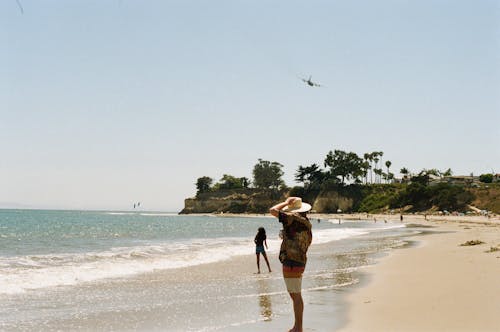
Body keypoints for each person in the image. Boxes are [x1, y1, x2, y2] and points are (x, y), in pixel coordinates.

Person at [270, 197, 312, 332]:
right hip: (300, 261)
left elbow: (273, 210)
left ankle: (298, 328)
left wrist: (286, 203)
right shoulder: (305, 223)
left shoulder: (292, 219)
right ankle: (297, 326)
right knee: (296, 294)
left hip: (291, 261)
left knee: (295, 295)